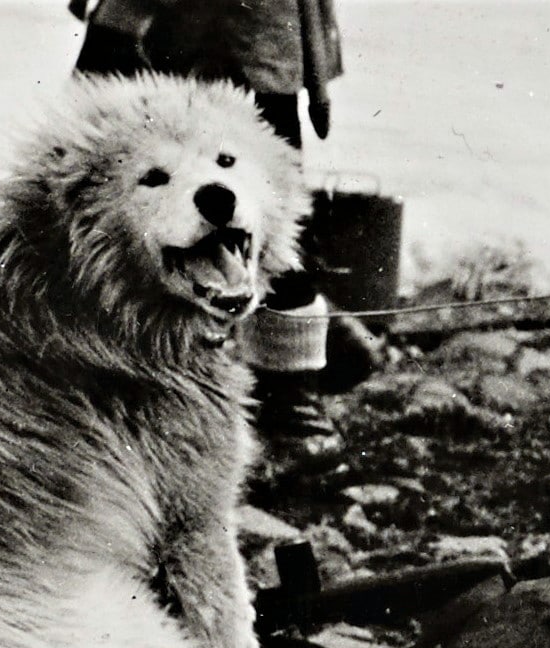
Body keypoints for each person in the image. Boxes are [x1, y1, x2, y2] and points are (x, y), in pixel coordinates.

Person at [70, 0, 345, 476]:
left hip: (247, 24)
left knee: (258, 183)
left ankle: (291, 403)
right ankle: (90, 378)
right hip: (151, 18)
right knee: (92, 162)